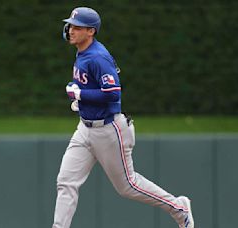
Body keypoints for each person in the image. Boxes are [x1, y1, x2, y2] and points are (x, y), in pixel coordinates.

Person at [52, 7, 194, 228]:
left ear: (91, 31)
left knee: (128, 186)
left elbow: (113, 93)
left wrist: (81, 94)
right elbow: (89, 84)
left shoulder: (98, 57)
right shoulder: (82, 51)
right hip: (85, 129)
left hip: (109, 130)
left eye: (77, 27)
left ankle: (179, 208)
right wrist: (78, 90)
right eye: (70, 25)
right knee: (66, 181)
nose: (71, 30)